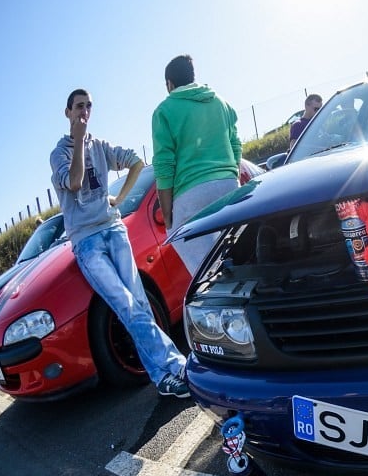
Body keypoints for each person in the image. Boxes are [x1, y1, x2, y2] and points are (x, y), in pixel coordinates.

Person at [49, 89, 190, 398]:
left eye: (88, 106)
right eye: (78, 107)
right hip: (87, 242)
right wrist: (77, 142)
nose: (84, 111)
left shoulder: (101, 146)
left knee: (139, 303)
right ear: (68, 113)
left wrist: (120, 198)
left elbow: (137, 162)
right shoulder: (59, 153)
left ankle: (161, 378)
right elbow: (74, 182)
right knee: (125, 305)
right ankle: (176, 365)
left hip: (114, 229)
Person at [152, 54, 242, 276]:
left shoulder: (164, 111)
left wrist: (168, 215)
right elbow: (236, 145)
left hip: (191, 192)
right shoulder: (221, 102)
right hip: (230, 185)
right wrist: (233, 177)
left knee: (205, 270)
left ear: (169, 84)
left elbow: (164, 166)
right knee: (236, 253)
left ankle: (215, 292)